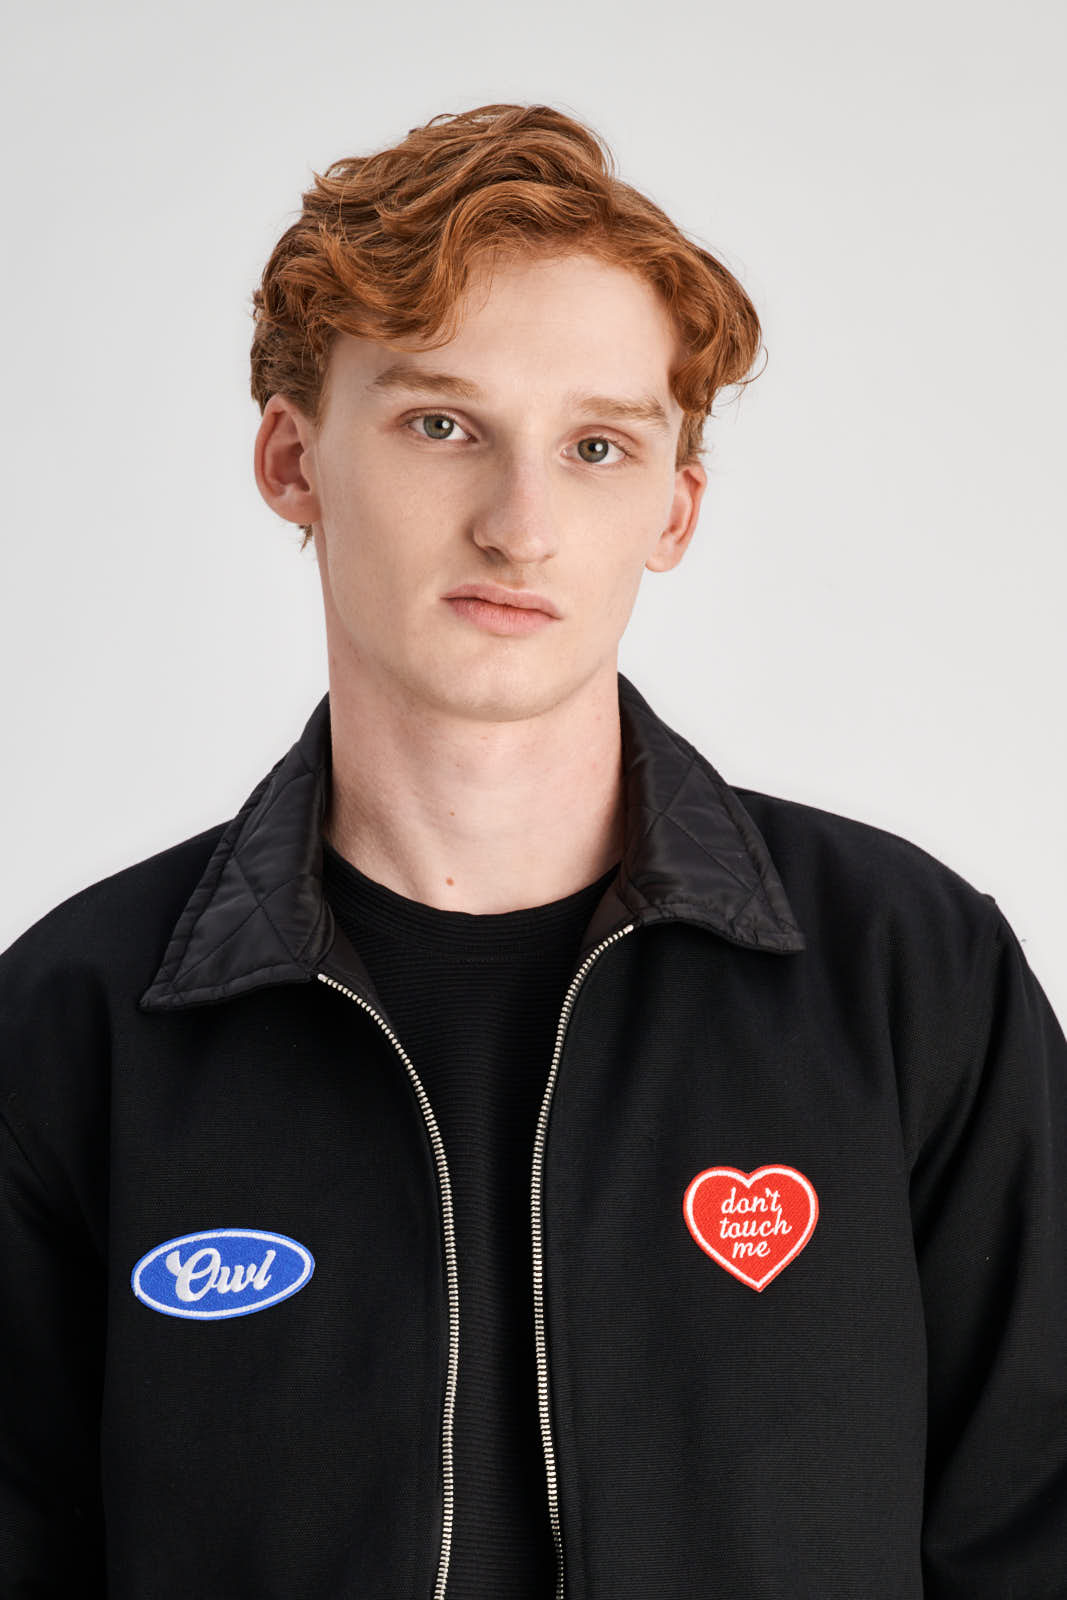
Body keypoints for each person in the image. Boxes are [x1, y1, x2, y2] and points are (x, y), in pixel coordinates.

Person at [1, 101, 1065, 1600]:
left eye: (597, 447)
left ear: (674, 510)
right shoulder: (73, 1024)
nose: (521, 524)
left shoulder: (913, 978)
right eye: (442, 425)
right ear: (293, 459)